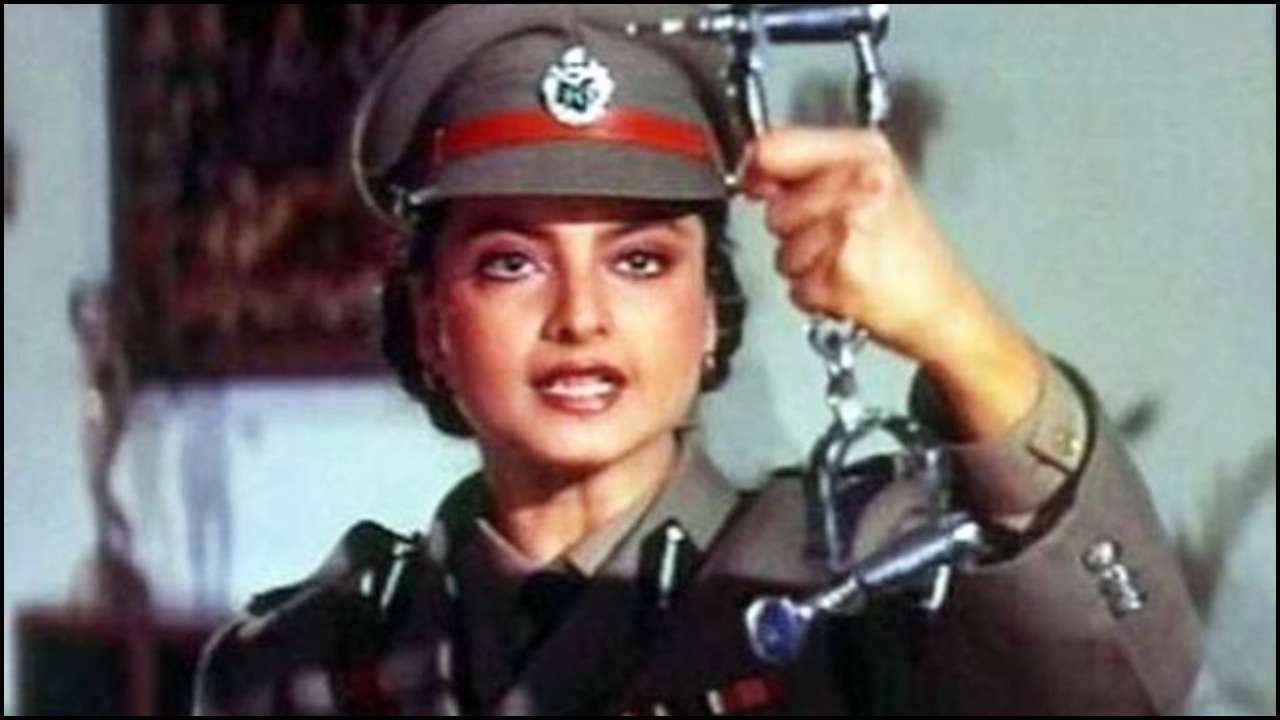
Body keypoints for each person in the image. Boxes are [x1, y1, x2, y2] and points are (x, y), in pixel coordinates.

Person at [195, 5, 1200, 715]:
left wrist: (959, 328)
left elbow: (1122, 683)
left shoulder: (865, 585)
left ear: (711, 312)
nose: (580, 318)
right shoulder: (302, 665)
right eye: (511, 263)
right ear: (430, 325)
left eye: (638, 262)